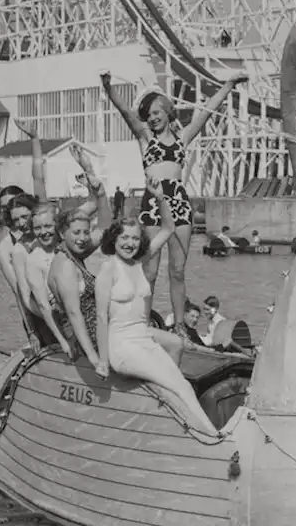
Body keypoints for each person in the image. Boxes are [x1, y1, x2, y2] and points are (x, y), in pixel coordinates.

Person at [102, 69, 248, 344]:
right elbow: (125, 112)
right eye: (150, 114)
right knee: (150, 271)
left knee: (177, 271)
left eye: (158, 112)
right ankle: (141, 322)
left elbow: (206, 112)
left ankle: (180, 325)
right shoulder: (145, 139)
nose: (153, 117)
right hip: (153, 204)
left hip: (179, 203)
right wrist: (108, 88)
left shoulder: (182, 139)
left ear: (168, 112)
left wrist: (228, 85)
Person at [95, 177, 218, 435]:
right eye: (124, 238)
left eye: (135, 239)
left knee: (179, 383)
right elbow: (101, 319)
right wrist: (103, 362)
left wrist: (159, 197)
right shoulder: (109, 269)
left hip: (143, 338)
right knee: (178, 385)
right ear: (114, 240)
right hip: (122, 347)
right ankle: (211, 436)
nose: (130, 243)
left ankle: (197, 430)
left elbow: (169, 227)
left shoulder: (139, 263)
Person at [16, 147, 105, 352]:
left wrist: (87, 168)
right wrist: (64, 342)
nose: (44, 232)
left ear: (57, 225)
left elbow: (94, 203)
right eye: (38, 228)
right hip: (65, 318)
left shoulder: (66, 240)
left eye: (48, 226)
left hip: (87, 306)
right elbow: (43, 306)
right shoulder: (34, 259)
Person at [48, 192, 113, 363]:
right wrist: (93, 357)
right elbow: (73, 312)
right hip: (96, 339)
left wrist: (100, 193)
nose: (83, 238)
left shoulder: (74, 255)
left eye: (86, 232)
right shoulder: (65, 265)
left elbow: (105, 228)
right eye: (76, 232)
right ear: (62, 234)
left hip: (102, 329)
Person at [0, 119, 47, 307]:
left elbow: (39, 178)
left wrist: (34, 139)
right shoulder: (6, 248)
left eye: (14, 204)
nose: (10, 210)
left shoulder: (43, 228)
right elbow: (19, 290)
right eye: (5, 207)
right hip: (36, 310)